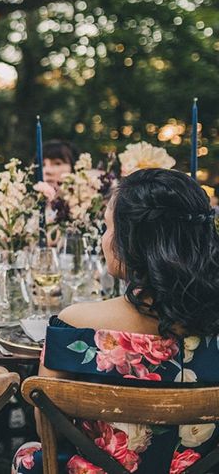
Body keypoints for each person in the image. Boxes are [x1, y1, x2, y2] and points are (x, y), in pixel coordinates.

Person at [13, 168, 219, 473]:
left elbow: (46, 424)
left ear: (134, 241)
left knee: (27, 452)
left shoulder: (75, 325)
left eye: (107, 228)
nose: (104, 240)